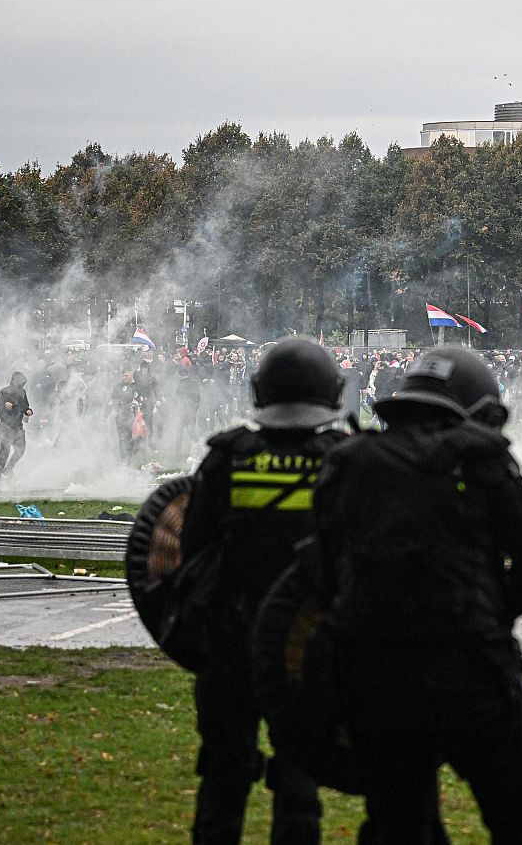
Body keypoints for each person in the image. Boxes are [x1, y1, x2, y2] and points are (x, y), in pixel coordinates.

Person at [311, 346, 522, 842]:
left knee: (398, 824)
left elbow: (319, 571)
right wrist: (487, 608)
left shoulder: (350, 460)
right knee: (520, 821)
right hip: (470, 668)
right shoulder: (482, 459)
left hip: (375, 676)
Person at [179, 337, 349, 844]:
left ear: (258, 390)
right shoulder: (342, 460)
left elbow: (192, 552)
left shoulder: (225, 457)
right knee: (300, 777)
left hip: (229, 643)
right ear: (332, 391)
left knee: (223, 778)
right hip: (307, 648)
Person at [0, 371, 31, 480]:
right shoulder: (4, 391)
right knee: (5, 450)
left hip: (18, 425)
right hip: (6, 425)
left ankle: (8, 469)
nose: (22, 384)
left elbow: (25, 406)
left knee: (21, 450)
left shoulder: (23, 392)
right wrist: (4, 404)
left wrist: (27, 412)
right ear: (14, 380)